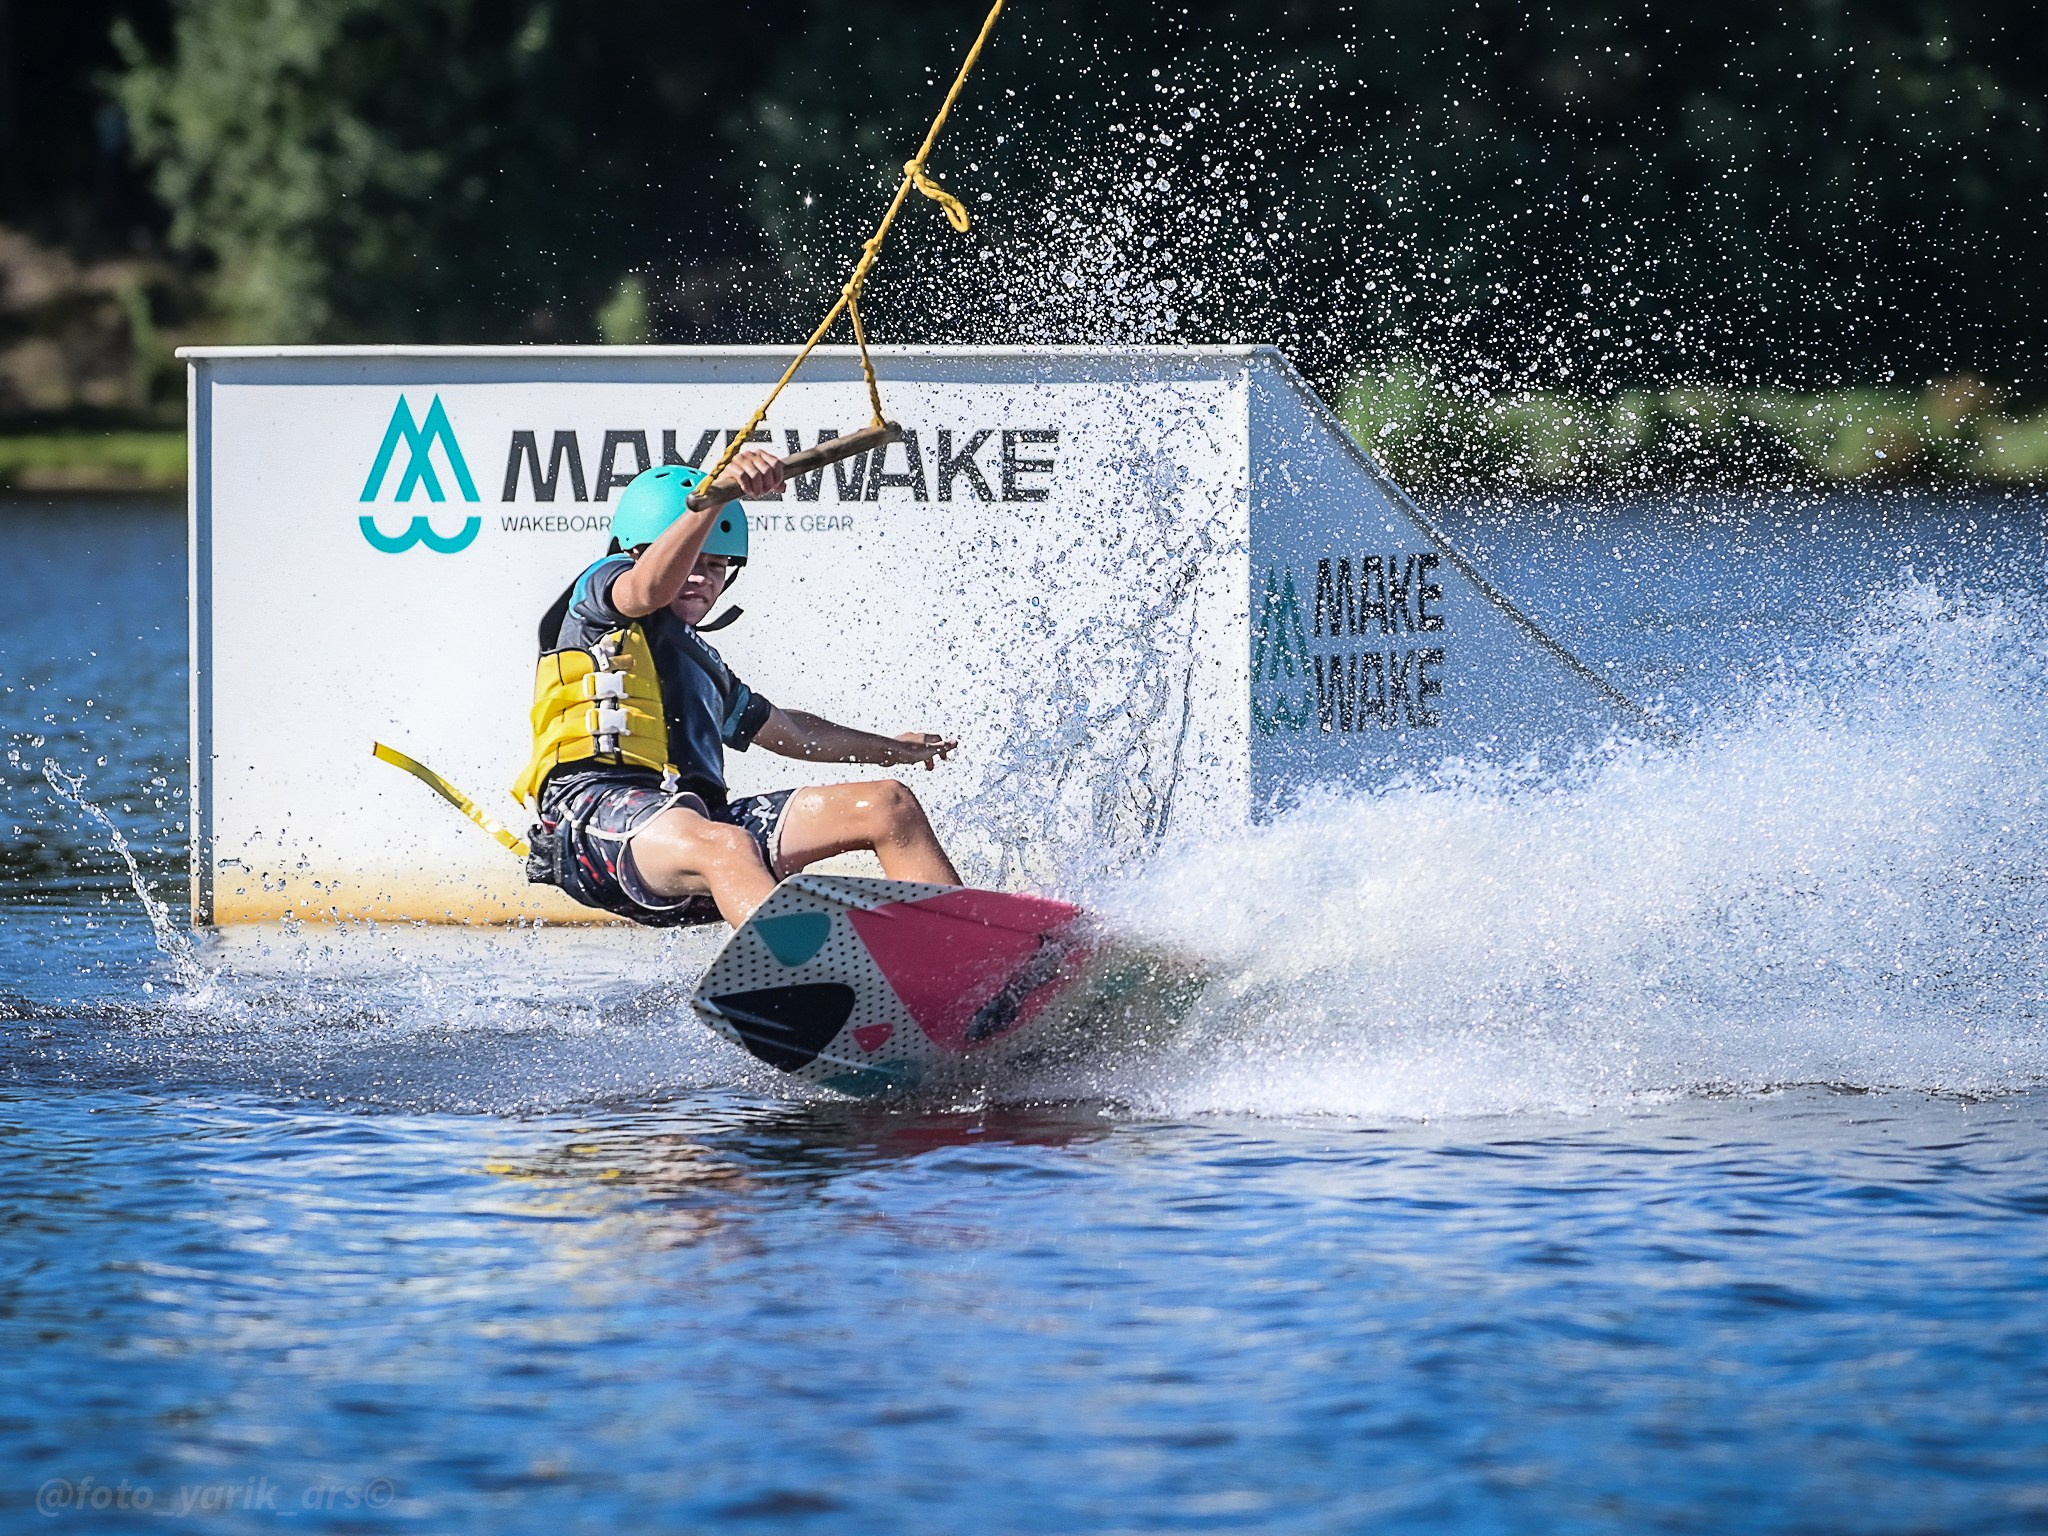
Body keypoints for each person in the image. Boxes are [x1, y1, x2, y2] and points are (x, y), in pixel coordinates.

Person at [513, 449, 962, 928]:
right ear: (638, 552)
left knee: (887, 805)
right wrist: (713, 500)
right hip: (595, 824)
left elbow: (791, 731)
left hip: (699, 841)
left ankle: (968, 959)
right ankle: (799, 985)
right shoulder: (602, 594)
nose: (701, 577)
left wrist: (889, 749)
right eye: (690, 558)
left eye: (716, 565)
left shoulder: (706, 668)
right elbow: (647, 591)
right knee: (725, 844)